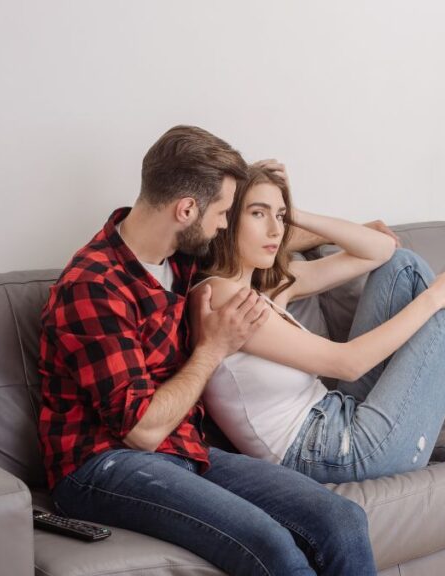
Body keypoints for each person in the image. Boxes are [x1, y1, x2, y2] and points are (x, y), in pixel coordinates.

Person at [37, 126, 377, 575]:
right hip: (102, 465)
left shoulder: (179, 257)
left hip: (185, 450)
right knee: (270, 546)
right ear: (186, 209)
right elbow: (141, 431)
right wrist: (213, 349)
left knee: (342, 520)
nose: (224, 224)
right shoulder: (93, 286)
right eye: (222, 212)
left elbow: (257, 245)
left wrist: (285, 214)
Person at [192, 161, 445, 483]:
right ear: (226, 219)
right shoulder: (222, 296)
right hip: (337, 452)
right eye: (258, 214)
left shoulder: (270, 285)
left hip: (342, 417)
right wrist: (435, 299)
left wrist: (296, 210)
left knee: (404, 268)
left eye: (280, 216)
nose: (275, 229)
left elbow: (382, 250)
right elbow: (346, 363)